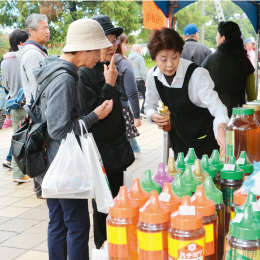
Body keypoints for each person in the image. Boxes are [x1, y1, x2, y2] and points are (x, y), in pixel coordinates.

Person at [33, 18, 113, 260]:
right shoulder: (65, 78)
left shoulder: (54, 68)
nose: (100, 57)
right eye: (97, 50)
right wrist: (93, 117)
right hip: (64, 164)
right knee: (77, 226)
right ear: (84, 49)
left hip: (50, 163)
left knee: (58, 223)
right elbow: (59, 129)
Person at [78, 14, 134, 249]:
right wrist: (109, 84)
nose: (112, 45)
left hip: (116, 150)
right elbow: (94, 114)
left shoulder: (108, 67)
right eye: (106, 40)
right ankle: (103, 247)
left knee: (116, 201)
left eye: (114, 39)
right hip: (100, 151)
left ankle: (117, 244)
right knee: (102, 204)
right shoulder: (84, 74)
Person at [145, 27, 229, 159]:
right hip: (179, 141)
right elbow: (149, 106)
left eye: (174, 57)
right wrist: (154, 116)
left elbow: (217, 107)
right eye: (163, 59)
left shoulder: (197, 74)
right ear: (154, 58)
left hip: (205, 141)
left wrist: (220, 128)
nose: (169, 65)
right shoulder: (153, 76)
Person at [17, 13, 50, 198]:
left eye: (48, 27)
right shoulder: (32, 54)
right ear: (31, 31)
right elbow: (39, 86)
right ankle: (41, 187)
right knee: (40, 147)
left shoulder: (37, 51)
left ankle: (40, 186)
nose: (48, 31)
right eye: (44, 28)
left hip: (37, 108)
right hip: (39, 109)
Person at [202, 22, 256, 117]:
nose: (216, 37)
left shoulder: (210, 59)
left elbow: (199, 86)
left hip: (213, 115)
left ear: (223, 38)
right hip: (238, 117)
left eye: (217, 35)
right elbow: (252, 95)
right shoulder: (245, 61)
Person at [1, 29, 30, 180]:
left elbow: (5, 85)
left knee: (17, 139)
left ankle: (18, 174)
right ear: (21, 43)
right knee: (34, 138)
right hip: (27, 103)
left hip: (13, 104)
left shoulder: (4, 62)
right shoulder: (24, 58)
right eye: (27, 40)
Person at [115, 33, 142, 158]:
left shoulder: (102, 61)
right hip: (124, 106)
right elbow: (132, 92)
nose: (127, 47)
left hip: (108, 108)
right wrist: (137, 116)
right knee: (128, 133)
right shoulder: (124, 64)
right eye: (125, 44)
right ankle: (134, 151)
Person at [128, 44, 147, 116]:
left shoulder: (128, 58)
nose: (141, 50)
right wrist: (146, 80)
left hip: (132, 80)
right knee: (147, 95)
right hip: (140, 80)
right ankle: (143, 110)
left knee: (134, 97)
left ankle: (135, 113)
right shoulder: (140, 58)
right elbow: (143, 71)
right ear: (138, 49)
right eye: (140, 49)